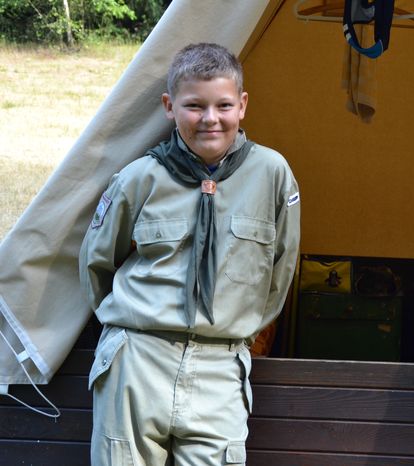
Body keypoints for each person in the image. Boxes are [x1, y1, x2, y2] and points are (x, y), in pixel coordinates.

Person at [79, 42, 300, 466]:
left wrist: (239, 334)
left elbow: (280, 270)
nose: (210, 118)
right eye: (195, 106)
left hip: (220, 367)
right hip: (138, 360)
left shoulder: (272, 174)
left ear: (243, 105)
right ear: (169, 106)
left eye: (224, 105)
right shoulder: (139, 177)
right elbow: (97, 263)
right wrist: (128, 328)